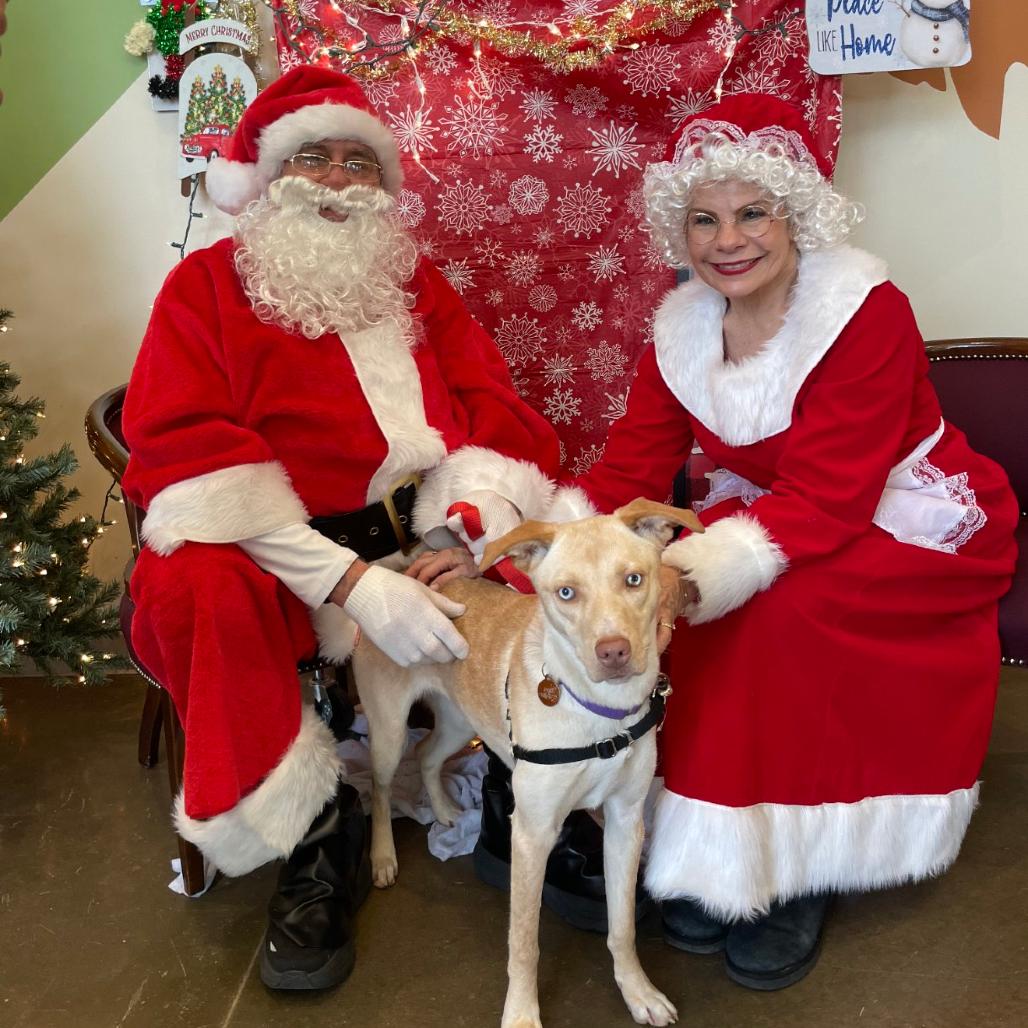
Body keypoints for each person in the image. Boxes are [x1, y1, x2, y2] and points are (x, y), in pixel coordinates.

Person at [436, 92, 1019, 991]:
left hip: (898, 515)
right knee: (671, 611)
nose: (727, 239)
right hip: (776, 510)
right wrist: (558, 559)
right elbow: (635, 459)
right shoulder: (681, 328)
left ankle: (798, 870)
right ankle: (718, 855)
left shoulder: (866, 310)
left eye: (752, 213)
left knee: (782, 617)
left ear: (795, 216)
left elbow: (831, 494)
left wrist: (691, 574)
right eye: (704, 219)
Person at [120, 66, 571, 992]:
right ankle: (309, 834)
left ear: (385, 187)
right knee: (188, 584)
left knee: (570, 554)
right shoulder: (202, 288)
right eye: (311, 158)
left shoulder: (415, 283)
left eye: (358, 162)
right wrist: (349, 583)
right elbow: (186, 452)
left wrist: (459, 531)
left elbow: (491, 404)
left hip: (418, 535)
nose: (335, 179)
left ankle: (541, 789)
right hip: (276, 559)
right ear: (268, 179)